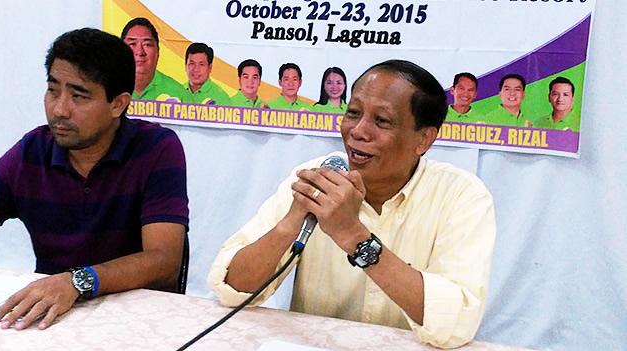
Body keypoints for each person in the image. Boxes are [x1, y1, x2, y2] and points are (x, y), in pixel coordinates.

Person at [0, 28, 189, 331]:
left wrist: (76, 281)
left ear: (118, 104)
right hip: (52, 320)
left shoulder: (157, 149)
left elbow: (163, 261)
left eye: (78, 96)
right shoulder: (32, 152)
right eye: (53, 89)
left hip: (140, 321)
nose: (59, 109)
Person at [208, 60, 496, 349]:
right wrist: (290, 223)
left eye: (381, 121)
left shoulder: (462, 196)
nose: (358, 131)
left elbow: (456, 324)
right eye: (353, 113)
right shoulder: (316, 178)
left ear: (423, 140)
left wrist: (353, 235)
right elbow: (232, 290)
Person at [121, 17, 192, 102]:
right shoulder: (107, 88)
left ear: (157, 52)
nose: (140, 52)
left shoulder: (179, 94)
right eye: (132, 44)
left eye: (147, 44)